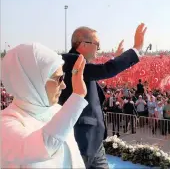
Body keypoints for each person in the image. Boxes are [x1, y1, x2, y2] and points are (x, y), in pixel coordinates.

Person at [59, 23, 147, 168]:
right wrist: (136, 48)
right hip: (82, 141)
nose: (99, 49)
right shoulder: (72, 62)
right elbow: (106, 70)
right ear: (83, 44)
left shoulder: (80, 64)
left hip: (93, 141)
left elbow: (97, 72)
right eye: (97, 44)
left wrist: (115, 59)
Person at [1, 43, 88, 168]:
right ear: (32, 81)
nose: (63, 85)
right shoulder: (6, 123)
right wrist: (77, 96)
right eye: (59, 78)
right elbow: (41, 147)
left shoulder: (58, 110)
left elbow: (75, 159)